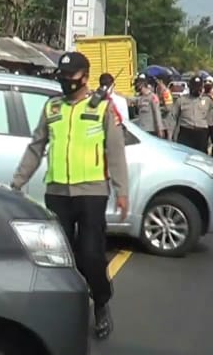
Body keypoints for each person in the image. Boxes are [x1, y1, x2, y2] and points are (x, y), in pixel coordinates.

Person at [10, 52, 129, 340]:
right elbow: (36, 147)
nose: (65, 82)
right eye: (61, 77)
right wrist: (17, 183)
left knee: (90, 255)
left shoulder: (101, 108)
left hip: (91, 194)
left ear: (85, 77)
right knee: (59, 257)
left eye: (70, 77)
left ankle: (101, 302)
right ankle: (63, 310)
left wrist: (121, 190)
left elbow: (115, 152)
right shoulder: (52, 108)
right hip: (58, 192)